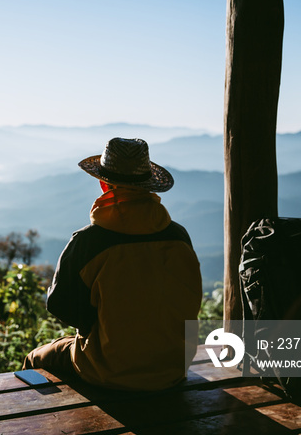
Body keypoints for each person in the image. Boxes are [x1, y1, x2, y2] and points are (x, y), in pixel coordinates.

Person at [23, 137, 202, 391]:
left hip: (108, 371)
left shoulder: (89, 242)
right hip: (172, 369)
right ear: (148, 186)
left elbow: (60, 305)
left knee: (35, 358)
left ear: (103, 184)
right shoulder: (179, 237)